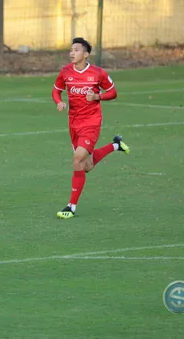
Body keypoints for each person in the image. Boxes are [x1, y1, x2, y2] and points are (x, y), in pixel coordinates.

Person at [52, 37, 130, 219]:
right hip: (73, 123)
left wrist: (97, 97)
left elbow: (113, 92)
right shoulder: (65, 72)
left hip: (91, 122)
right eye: (71, 50)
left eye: (76, 50)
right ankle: (115, 145)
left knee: (77, 159)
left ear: (86, 54)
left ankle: (70, 207)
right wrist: (59, 102)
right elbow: (56, 90)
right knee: (85, 166)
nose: (72, 53)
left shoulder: (98, 73)